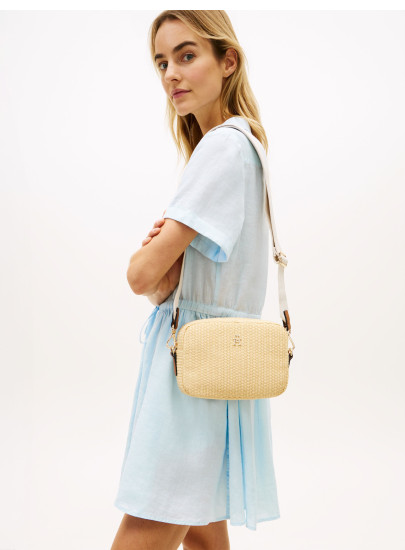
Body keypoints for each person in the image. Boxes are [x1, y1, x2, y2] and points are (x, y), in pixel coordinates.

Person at [111, 10, 280, 550]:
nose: (171, 74)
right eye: (162, 62)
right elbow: (169, 282)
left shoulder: (222, 147)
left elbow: (140, 276)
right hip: (218, 369)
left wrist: (150, 253)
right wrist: (163, 262)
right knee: (205, 539)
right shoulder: (244, 146)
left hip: (190, 374)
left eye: (187, 55)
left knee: (145, 529)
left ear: (228, 61)